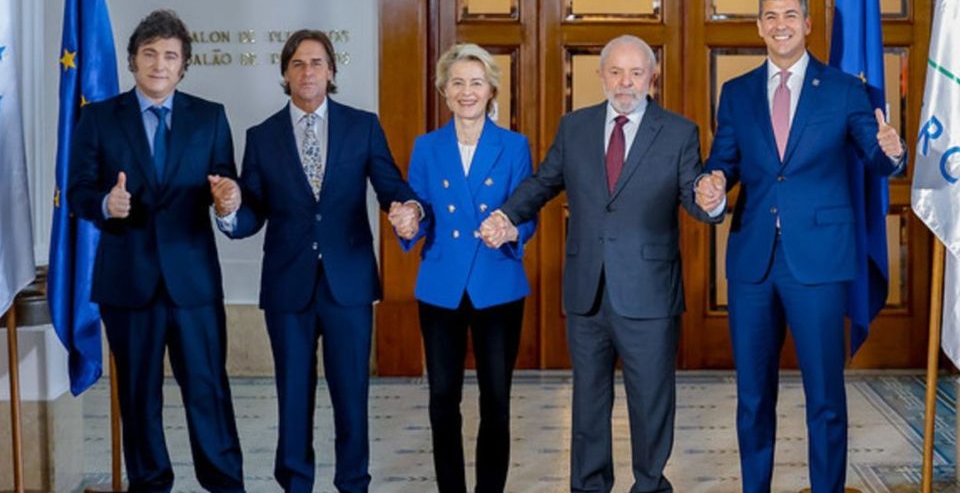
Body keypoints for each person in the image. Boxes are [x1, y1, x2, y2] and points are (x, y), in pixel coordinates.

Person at [481, 35, 720, 493]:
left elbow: (695, 194)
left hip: (649, 292)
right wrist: (507, 215)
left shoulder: (678, 131)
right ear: (601, 76)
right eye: (616, 71)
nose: (625, 82)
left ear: (652, 77)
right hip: (587, 290)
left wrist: (709, 201)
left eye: (635, 73)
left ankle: (649, 484)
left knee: (651, 401)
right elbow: (544, 181)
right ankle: (589, 486)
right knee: (588, 402)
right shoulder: (575, 127)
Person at [696, 0, 906, 493]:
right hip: (753, 262)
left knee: (826, 398)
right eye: (770, 16)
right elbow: (723, 162)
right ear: (759, 26)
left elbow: (875, 159)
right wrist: (713, 188)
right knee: (752, 398)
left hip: (818, 260)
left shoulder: (843, 89)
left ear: (808, 24)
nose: (780, 24)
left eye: (790, 14)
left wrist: (891, 151)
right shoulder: (737, 92)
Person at [211, 29, 422, 493]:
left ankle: (354, 483)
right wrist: (228, 211)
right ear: (285, 74)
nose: (308, 72)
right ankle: (296, 483)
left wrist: (408, 209)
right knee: (293, 395)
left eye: (317, 63)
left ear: (331, 71)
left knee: (352, 397)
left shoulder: (361, 126)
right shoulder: (262, 137)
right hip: (288, 287)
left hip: (348, 283)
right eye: (298, 64)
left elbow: (392, 186)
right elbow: (254, 213)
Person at [68, 9, 244, 492]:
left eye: (170, 55)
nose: (159, 64)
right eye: (149, 54)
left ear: (184, 64)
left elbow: (226, 180)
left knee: (208, 391)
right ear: (133, 61)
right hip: (128, 284)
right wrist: (107, 202)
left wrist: (228, 196)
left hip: (193, 284)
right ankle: (150, 484)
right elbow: (77, 189)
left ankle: (226, 483)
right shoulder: (99, 118)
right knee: (139, 396)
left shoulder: (209, 117)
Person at [395, 44, 536, 493]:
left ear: (492, 89)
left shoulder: (514, 145)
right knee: (442, 400)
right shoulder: (427, 146)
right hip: (442, 285)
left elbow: (526, 209)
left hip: (497, 283)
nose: (467, 91)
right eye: (457, 82)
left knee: (496, 399)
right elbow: (419, 205)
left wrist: (512, 229)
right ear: (444, 90)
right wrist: (410, 217)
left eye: (476, 82)